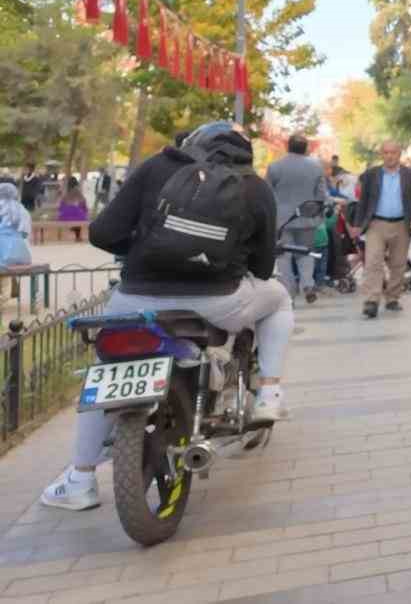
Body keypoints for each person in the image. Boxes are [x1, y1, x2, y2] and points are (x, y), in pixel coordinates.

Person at [39, 122, 294, 511]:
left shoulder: (156, 168)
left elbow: (103, 233)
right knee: (278, 300)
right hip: (218, 302)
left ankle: (79, 479)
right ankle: (270, 392)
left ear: (190, 144)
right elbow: (261, 269)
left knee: (105, 372)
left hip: (135, 299)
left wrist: (143, 245)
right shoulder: (254, 186)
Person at [354, 141, 411, 319]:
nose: (389, 156)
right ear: (381, 154)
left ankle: (392, 297)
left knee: (398, 264)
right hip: (376, 224)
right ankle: (372, 300)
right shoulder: (371, 175)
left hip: (402, 224)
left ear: (399, 154)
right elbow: (363, 201)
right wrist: (357, 224)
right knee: (373, 262)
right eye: (385, 152)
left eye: (393, 152)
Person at [266, 134, 328, 304]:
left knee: (284, 256)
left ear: (288, 146)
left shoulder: (275, 167)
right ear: (306, 148)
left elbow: (268, 195)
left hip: (282, 220)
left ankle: (288, 291)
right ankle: (308, 284)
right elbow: (321, 194)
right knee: (306, 252)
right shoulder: (316, 167)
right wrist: (320, 213)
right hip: (308, 218)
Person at [0, 182, 32, 267]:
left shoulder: (1, 206)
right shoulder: (21, 208)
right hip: (22, 254)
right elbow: (25, 233)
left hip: (3, 255)